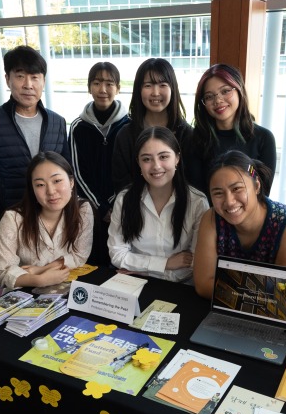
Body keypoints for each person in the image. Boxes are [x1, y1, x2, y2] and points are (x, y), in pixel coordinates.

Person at [192, 151, 286, 299]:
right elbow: (203, 285)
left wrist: (226, 289)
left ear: (257, 186)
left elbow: (284, 295)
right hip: (229, 307)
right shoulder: (211, 219)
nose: (229, 201)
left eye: (237, 189)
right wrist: (259, 295)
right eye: (218, 193)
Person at [108, 126, 208, 282]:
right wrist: (166, 264)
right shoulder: (124, 199)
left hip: (182, 287)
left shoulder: (197, 202)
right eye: (146, 159)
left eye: (163, 157)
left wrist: (142, 269)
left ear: (177, 158)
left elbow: (195, 262)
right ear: (138, 163)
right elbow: (117, 254)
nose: (156, 166)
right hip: (136, 282)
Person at [0, 45, 71, 224]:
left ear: (43, 81)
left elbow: (66, 172)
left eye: (34, 77)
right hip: (14, 214)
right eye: (20, 76)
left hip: (52, 214)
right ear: (8, 79)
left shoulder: (58, 122)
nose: (28, 85)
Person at [0, 151, 93, 290]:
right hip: (23, 291)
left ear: (71, 182)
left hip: (65, 288)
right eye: (40, 185)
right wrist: (39, 280)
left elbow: (80, 255)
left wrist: (41, 270)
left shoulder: (83, 210)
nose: (50, 191)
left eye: (57, 181)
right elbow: (0, 272)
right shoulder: (13, 219)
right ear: (32, 189)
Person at [70, 61, 131, 266]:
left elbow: (131, 169)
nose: (102, 90)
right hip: (92, 209)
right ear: (89, 87)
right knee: (94, 260)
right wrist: (101, 207)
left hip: (123, 205)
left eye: (109, 83)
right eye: (96, 83)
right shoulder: (78, 127)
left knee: (122, 258)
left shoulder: (129, 125)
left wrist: (116, 202)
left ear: (118, 88)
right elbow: (77, 172)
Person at [186, 63, 276, 198]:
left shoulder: (263, 138)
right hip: (210, 215)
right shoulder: (196, 139)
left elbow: (262, 190)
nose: (218, 100)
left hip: (250, 215)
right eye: (209, 97)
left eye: (225, 91)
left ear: (239, 90)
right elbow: (198, 193)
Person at [111, 58, 193, 194]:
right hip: (136, 209)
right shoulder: (125, 135)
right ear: (139, 90)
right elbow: (121, 184)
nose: (155, 93)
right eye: (148, 85)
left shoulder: (187, 135)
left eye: (162, 85)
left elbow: (192, 183)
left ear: (172, 88)